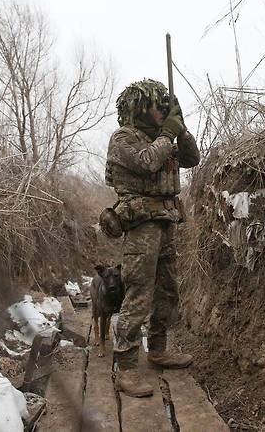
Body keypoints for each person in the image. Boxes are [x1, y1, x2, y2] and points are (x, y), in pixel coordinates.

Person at [104, 79, 200, 398]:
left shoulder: (163, 138)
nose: (161, 110)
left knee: (168, 289)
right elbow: (146, 162)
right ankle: (127, 367)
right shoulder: (124, 138)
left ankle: (158, 349)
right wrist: (168, 132)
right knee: (138, 293)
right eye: (156, 105)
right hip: (141, 225)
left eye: (164, 105)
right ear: (138, 108)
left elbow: (192, 158)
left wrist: (180, 128)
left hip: (166, 222)